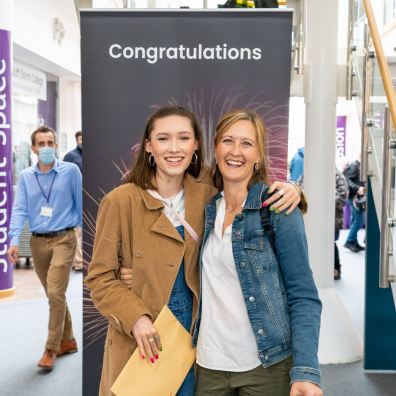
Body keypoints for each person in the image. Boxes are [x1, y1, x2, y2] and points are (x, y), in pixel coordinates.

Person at [85, 105, 302, 396]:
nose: (174, 148)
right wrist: (135, 316)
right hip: (140, 343)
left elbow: (247, 185)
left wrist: (293, 189)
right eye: (163, 139)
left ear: (196, 145)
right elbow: (99, 278)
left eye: (184, 138)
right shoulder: (120, 202)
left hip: (196, 346)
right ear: (148, 146)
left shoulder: (208, 195)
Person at [191, 109, 322, 396]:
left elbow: (304, 296)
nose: (236, 151)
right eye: (228, 141)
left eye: (247, 144)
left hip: (266, 366)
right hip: (209, 366)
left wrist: (306, 371)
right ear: (215, 147)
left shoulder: (278, 210)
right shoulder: (204, 207)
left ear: (259, 155)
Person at [7, 126, 82, 370]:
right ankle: (69, 340)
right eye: (42, 144)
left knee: (55, 294)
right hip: (37, 242)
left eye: (51, 143)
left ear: (56, 146)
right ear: (34, 148)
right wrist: (14, 240)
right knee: (55, 294)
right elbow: (19, 210)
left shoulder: (71, 171)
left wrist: (89, 242)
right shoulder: (28, 177)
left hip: (64, 239)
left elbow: (80, 205)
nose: (47, 148)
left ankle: (51, 348)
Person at [64, 131, 83, 271]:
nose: (82, 141)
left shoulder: (91, 154)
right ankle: (78, 262)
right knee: (77, 231)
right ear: (76, 140)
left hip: (86, 196)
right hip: (74, 197)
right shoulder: (71, 156)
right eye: (80, 139)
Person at [343, 158, 365, 252]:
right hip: (353, 197)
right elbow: (347, 180)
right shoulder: (354, 166)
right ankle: (350, 241)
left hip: (355, 197)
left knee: (355, 219)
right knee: (358, 219)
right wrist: (357, 188)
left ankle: (354, 242)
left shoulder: (358, 166)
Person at [334, 168, 349, 280]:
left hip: (332, 218)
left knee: (331, 243)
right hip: (313, 218)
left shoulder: (337, 174)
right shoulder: (309, 173)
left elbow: (343, 195)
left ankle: (336, 269)